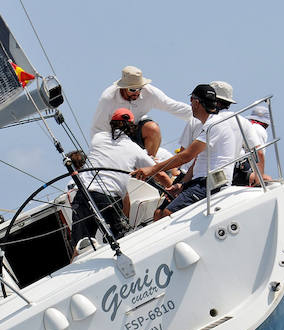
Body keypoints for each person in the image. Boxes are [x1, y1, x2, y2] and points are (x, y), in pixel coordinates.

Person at [130, 83, 245, 219]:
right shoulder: (210, 123)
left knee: (168, 214)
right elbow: (197, 159)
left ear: (195, 102)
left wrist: (151, 170)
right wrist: (182, 185)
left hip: (212, 183)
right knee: (158, 214)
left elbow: (186, 156)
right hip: (202, 181)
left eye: (190, 101)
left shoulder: (213, 125)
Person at [72, 108, 160, 249]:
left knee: (79, 247)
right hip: (107, 199)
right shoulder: (134, 149)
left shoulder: (98, 138)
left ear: (112, 124)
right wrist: (171, 185)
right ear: (132, 127)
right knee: (119, 244)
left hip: (83, 195)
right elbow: (159, 172)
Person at [90, 66, 191, 158]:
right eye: (133, 89)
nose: (137, 92)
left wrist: (203, 115)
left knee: (152, 128)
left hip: (136, 133)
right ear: (123, 87)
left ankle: (149, 165)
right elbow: (99, 128)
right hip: (115, 139)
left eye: (140, 88)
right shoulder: (108, 98)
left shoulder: (149, 92)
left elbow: (173, 106)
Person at [233, 103, 272, 186]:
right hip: (242, 167)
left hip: (235, 165)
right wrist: (259, 177)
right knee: (267, 179)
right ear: (267, 123)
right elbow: (259, 155)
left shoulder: (248, 127)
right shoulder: (260, 130)